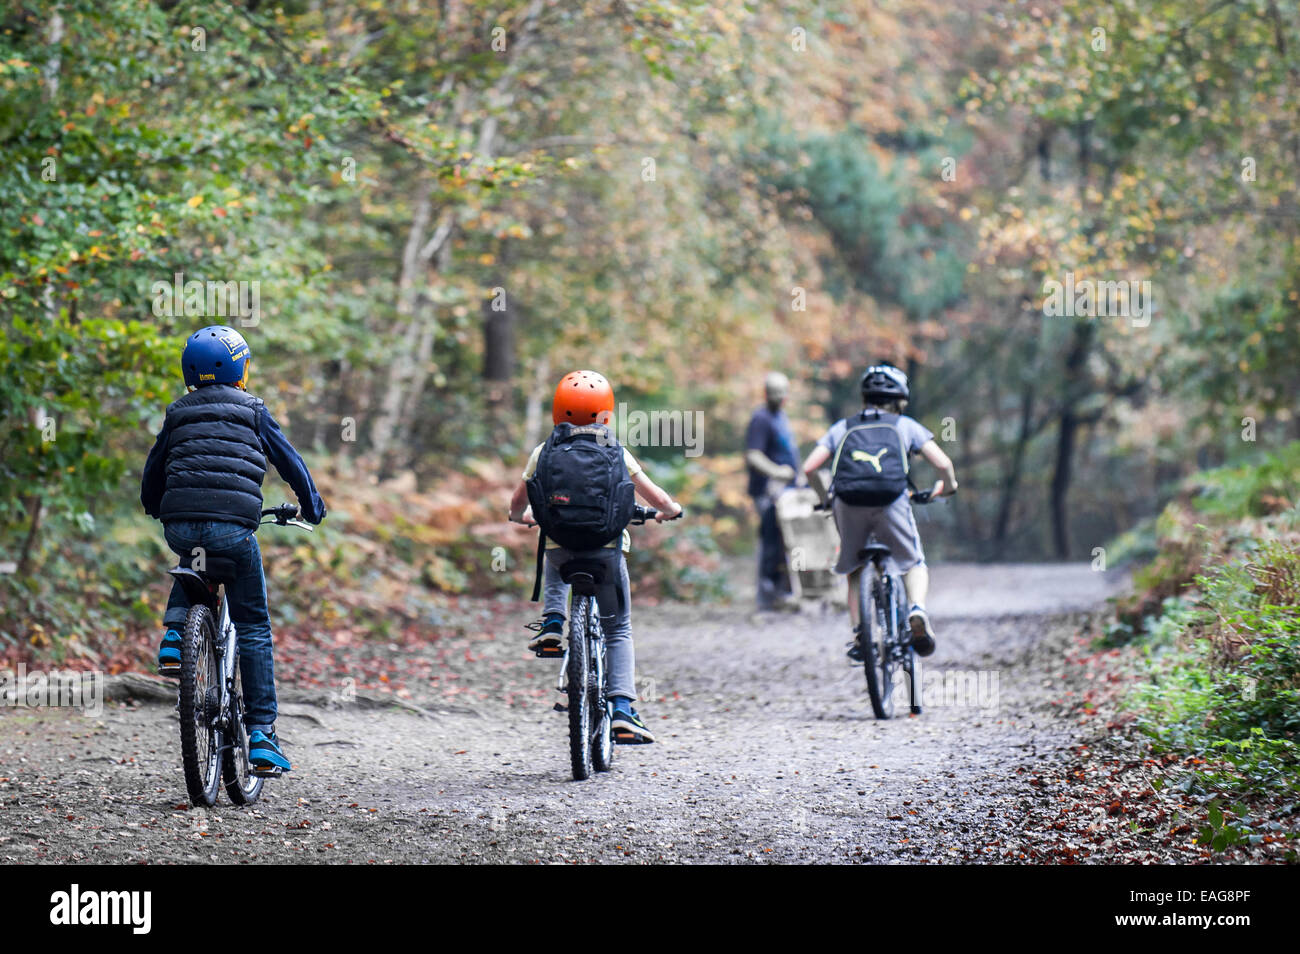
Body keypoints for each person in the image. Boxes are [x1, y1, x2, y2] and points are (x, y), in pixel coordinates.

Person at [141, 325, 326, 774]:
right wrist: (312, 507)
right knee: (254, 626)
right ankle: (262, 735)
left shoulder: (178, 412)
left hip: (180, 527)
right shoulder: (254, 410)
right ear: (239, 368)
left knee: (193, 556)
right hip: (234, 531)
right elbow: (290, 462)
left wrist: (156, 507)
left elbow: (154, 470)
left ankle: (173, 637)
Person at [508, 370, 682, 745]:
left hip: (561, 552)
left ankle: (553, 621)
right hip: (606, 552)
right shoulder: (616, 450)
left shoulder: (544, 451)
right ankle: (622, 709)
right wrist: (670, 509)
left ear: (557, 411)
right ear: (606, 413)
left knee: (552, 547)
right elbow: (654, 496)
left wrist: (519, 518)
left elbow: (519, 500)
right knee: (618, 628)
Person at [800, 363, 957, 658]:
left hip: (847, 503)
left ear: (864, 398)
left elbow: (809, 468)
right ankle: (917, 611)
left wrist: (825, 499)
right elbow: (944, 465)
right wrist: (948, 486)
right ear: (900, 400)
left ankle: (861, 637)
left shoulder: (842, 427)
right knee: (913, 563)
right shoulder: (906, 425)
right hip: (891, 501)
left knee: (855, 568)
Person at [744, 371, 800, 610]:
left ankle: (783, 592)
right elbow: (753, 455)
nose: (779, 397)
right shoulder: (761, 418)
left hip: (787, 492)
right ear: (766, 393)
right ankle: (767, 597)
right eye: (774, 392)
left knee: (785, 541)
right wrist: (778, 472)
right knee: (770, 542)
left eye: (782, 392)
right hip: (767, 493)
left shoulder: (782, 417)